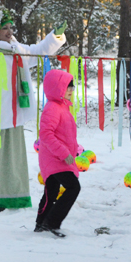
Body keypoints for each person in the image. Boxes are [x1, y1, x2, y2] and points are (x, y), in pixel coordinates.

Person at [0, 9, 67, 210]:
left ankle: (14, 197)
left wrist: (55, 37)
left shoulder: (16, 49)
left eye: (11, 27)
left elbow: (38, 52)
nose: (9, 31)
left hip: (14, 117)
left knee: (14, 162)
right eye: (4, 28)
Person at [35, 69, 83, 237]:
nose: (71, 90)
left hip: (57, 157)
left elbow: (64, 133)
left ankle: (41, 224)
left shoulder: (62, 107)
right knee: (73, 187)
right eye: (67, 87)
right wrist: (64, 153)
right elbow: (46, 134)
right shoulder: (52, 108)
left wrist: (73, 149)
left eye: (72, 87)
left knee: (51, 191)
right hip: (54, 158)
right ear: (57, 88)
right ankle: (51, 222)